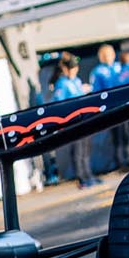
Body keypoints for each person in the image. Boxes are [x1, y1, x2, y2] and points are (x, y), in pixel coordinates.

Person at [52, 57, 99, 188]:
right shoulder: (62, 84)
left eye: (75, 69)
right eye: (71, 69)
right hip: (73, 120)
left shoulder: (77, 81)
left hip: (83, 118)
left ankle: (88, 174)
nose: (73, 71)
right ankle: (81, 177)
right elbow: (59, 103)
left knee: (86, 149)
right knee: (78, 149)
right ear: (65, 70)